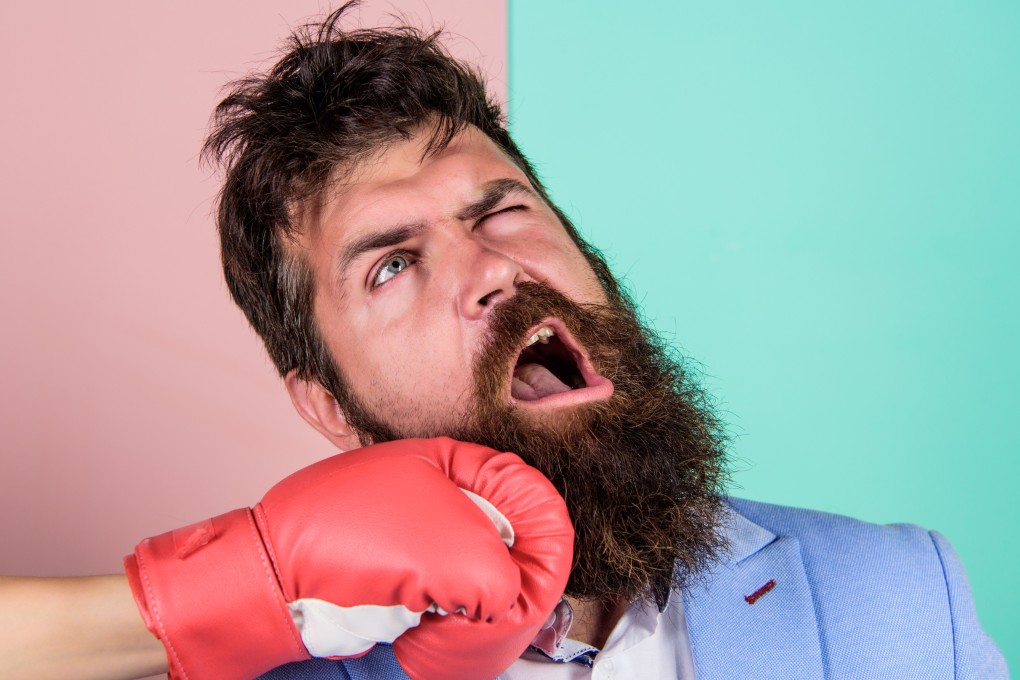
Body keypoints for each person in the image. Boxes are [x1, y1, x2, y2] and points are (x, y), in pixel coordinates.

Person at [0, 4, 1008, 680]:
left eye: (503, 209)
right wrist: (210, 592)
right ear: (328, 402)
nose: (494, 269)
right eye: (391, 263)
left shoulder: (901, 592)